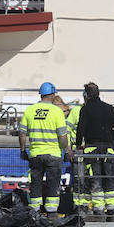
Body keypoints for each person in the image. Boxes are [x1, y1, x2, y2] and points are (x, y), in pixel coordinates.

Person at [17, 82, 72, 217]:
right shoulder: (57, 111)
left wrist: (23, 150)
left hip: (35, 154)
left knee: (35, 185)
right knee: (53, 185)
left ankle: (34, 213)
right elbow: (63, 136)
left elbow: (22, 134)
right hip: (53, 155)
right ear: (52, 94)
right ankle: (52, 214)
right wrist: (67, 150)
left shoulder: (29, 111)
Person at [74, 83, 114, 221]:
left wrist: (78, 145)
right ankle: (112, 211)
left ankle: (98, 210)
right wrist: (109, 137)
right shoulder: (109, 108)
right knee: (108, 179)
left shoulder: (85, 109)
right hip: (108, 149)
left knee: (95, 179)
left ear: (86, 94)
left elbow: (80, 129)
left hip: (92, 149)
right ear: (99, 93)